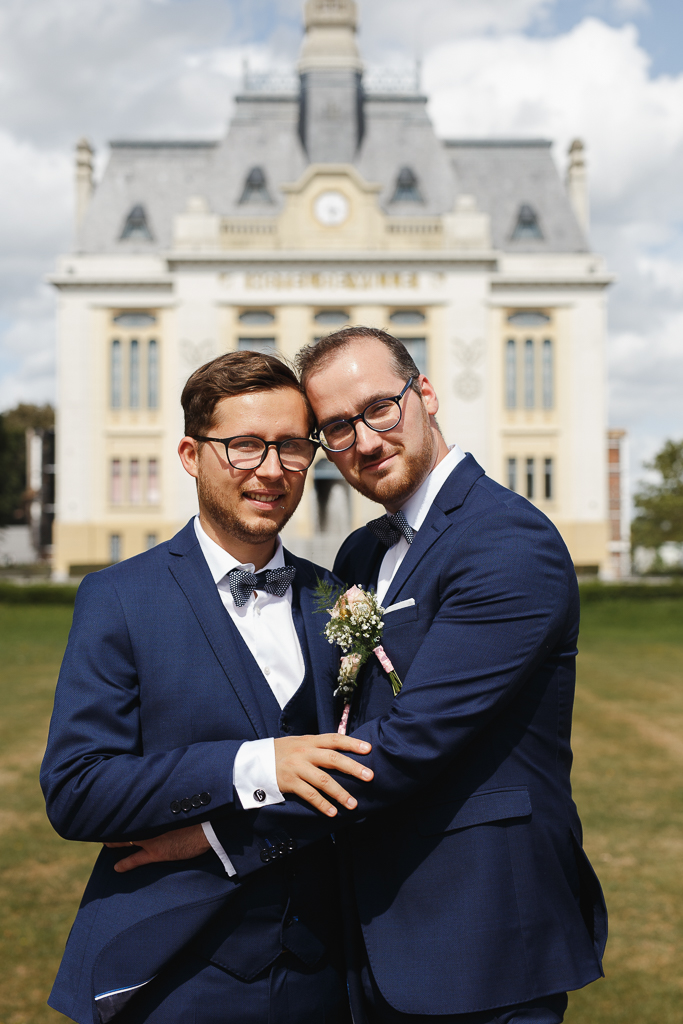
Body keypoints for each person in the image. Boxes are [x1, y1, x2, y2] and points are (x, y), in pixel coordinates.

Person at [95, 329, 608, 1023]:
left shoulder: (504, 543)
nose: (363, 441)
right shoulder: (361, 552)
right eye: (336, 427)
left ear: (424, 394)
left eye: (379, 409)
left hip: (481, 931)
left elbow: (408, 744)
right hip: (365, 930)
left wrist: (222, 835)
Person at [40, 351, 373, 1024]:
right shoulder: (119, 599)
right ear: (192, 454)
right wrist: (253, 766)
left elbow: (368, 774)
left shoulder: (336, 599)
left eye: (291, 446)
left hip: (322, 975)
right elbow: (77, 791)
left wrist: (224, 837)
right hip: (169, 976)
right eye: (245, 445)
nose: (272, 470)